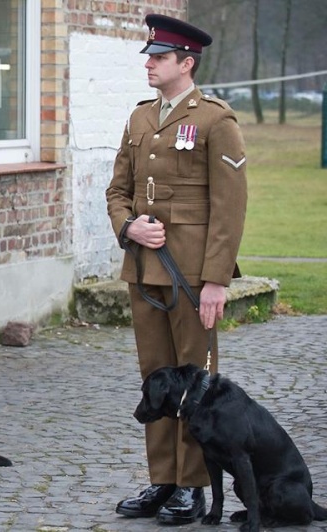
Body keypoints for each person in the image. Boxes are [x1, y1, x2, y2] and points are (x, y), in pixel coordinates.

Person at [106, 14, 247, 524]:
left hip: (191, 278)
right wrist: (129, 229)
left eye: (160, 56)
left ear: (186, 63)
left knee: (195, 386)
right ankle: (162, 480)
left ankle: (193, 484)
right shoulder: (140, 118)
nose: (149, 62)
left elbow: (229, 208)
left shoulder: (216, 120)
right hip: (144, 272)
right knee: (155, 382)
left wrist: (216, 281)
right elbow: (117, 191)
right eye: (149, 55)